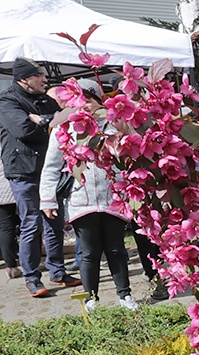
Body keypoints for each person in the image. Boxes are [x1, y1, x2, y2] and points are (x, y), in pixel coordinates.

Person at [39, 80, 137, 311]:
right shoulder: (66, 129)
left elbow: (131, 157)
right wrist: (48, 199)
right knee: (90, 252)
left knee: (116, 250)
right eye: (79, 102)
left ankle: (125, 296)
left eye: (89, 101)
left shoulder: (115, 124)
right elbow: (51, 166)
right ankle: (91, 298)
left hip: (113, 198)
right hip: (81, 200)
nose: (85, 108)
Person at [0, 57, 79, 298]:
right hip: (23, 171)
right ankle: (32, 278)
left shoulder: (44, 99)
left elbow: (63, 124)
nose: (45, 80)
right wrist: (46, 122)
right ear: (24, 79)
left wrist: (41, 120)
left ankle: (57, 271)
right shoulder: (7, 100)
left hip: (49, 169)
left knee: (55, 222)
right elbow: (23, 130)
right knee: (31, 224)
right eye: (39, 76)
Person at [0, 158, 21, 279]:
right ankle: (34, 260)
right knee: (28, 223)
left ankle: (10, 266)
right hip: (13, 186)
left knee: (5, 228)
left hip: (2, 193)